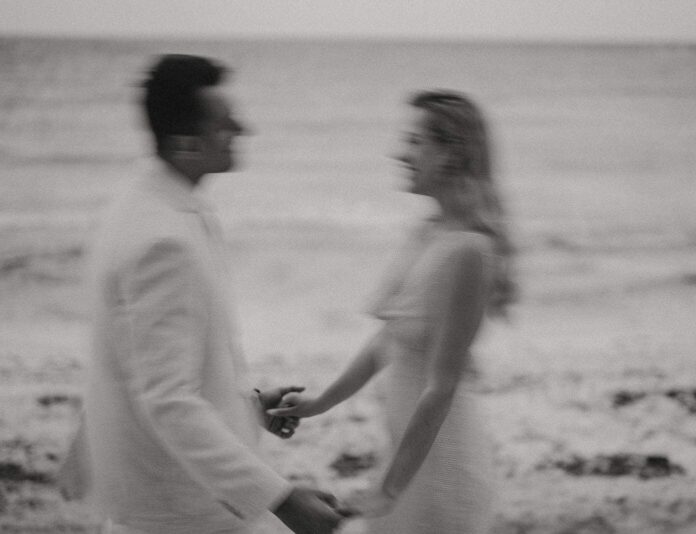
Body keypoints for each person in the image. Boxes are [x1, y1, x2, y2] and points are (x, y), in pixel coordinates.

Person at [71, 54, 344, 534]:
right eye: (224, 122)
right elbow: (168, 400)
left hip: (170, 500)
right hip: (179, 513)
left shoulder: (145, 206)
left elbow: (146, 367)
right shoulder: (163, 240)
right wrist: (281, 499)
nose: (243, 127)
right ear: (185, 143)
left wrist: (247, 405)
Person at [269, 90, 516, 533]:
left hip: (442, 467)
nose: (401, 153)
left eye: (416, 141)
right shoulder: (426, 234)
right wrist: (321, 402)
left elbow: (442, 386)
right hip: (408, 457)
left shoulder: (470, 252)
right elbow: (388, 339)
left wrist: (390, 487)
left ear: (450, 154)